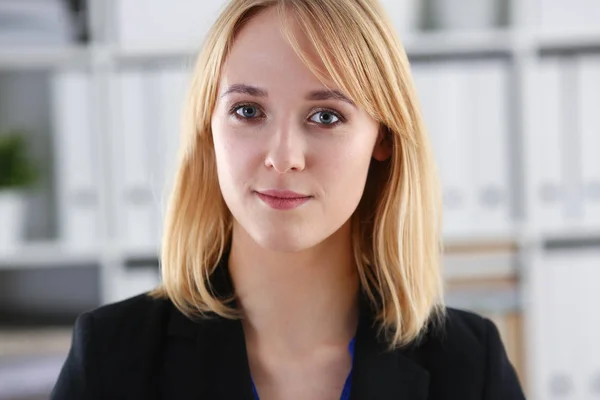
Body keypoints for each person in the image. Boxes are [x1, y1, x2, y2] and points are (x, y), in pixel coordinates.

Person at [51, 0, 526, 399]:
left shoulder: (468, 364)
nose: (282, 158)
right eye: (247, 110)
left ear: (383, 139)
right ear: (208, 128)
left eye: (325, 116)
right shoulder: (111, 356)